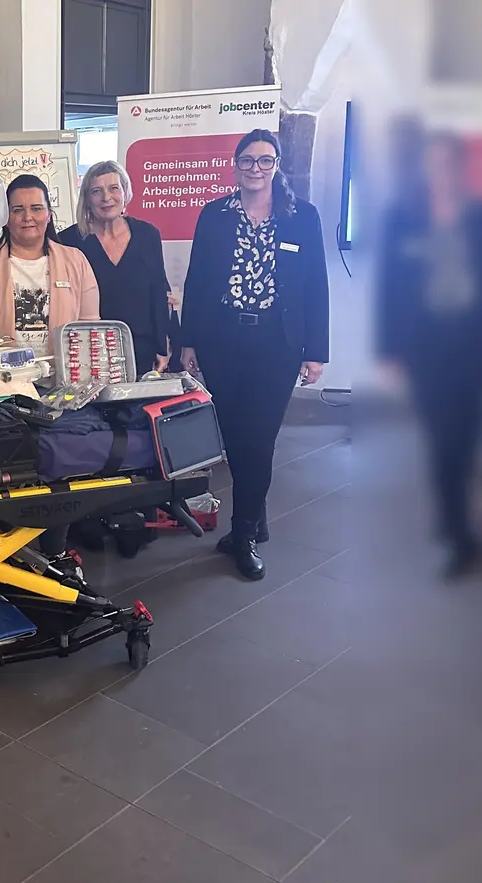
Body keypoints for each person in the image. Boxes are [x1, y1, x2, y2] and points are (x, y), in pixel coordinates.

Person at [179, 129, 329, 581]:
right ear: (236, 165)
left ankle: (242, 535)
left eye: (265, 161)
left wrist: (316, 351)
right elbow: (198, 281)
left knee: (259, 439)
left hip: (277, 344)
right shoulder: (215, 214)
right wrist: (189, 340)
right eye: (248, 160)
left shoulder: (302, 216)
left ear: (277, 165)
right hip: (224, 340)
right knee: (234, 435)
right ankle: (255, 516)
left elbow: (316, 285)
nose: (256, 169)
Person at [376, 128, 482, 579]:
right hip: (426, 350)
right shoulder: (404, 217)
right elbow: (389, 287)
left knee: (467, 439)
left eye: (449, 163)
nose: (442, 172)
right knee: (441, 440)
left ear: (461, 167)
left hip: (476, 348)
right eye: (434, 164)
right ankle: (455, 530)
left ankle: (456, 521)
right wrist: (389, 347)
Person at [0, 173, 100, 378]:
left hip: (63, 382)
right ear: (5, 217)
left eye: (36, 208)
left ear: (49, 214)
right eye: (18, 210)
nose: (27, 217)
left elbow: (89, 326)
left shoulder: (76, 261)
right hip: (0, 385)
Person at [57, 161, 171, 371]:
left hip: (142, 350)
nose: (106, 198)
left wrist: (162, 346)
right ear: (87, 199)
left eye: (113, 188)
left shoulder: (148, 235)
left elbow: (158, 291)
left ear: (125, 192)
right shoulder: (68, 241)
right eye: (96, 191)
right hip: (89, 352)